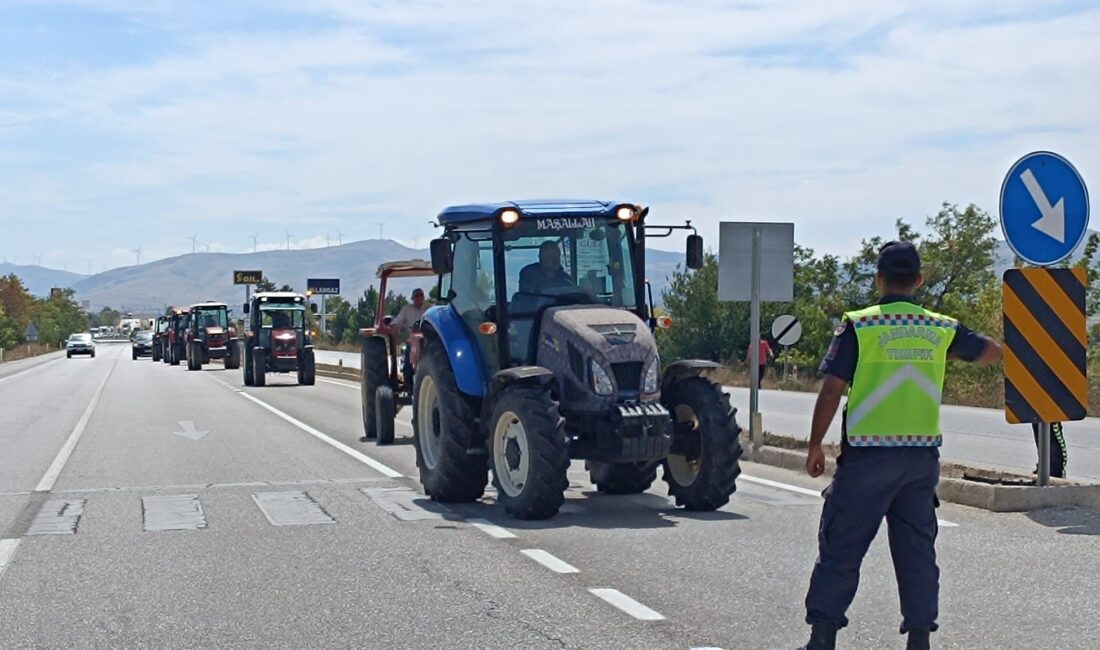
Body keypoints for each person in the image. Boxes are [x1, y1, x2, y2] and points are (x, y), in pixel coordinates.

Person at [797, 241, 1002, 650]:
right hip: (919, 461)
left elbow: (832, 389)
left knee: (841, 546)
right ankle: (920, 639)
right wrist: (949, 354)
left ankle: (823, 638)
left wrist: (815, 445)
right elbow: (992, 353)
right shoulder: (941, 328)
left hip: (868, 460)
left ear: (879, 278)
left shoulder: (860, 324)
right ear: (920, 280)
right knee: (916, 553)